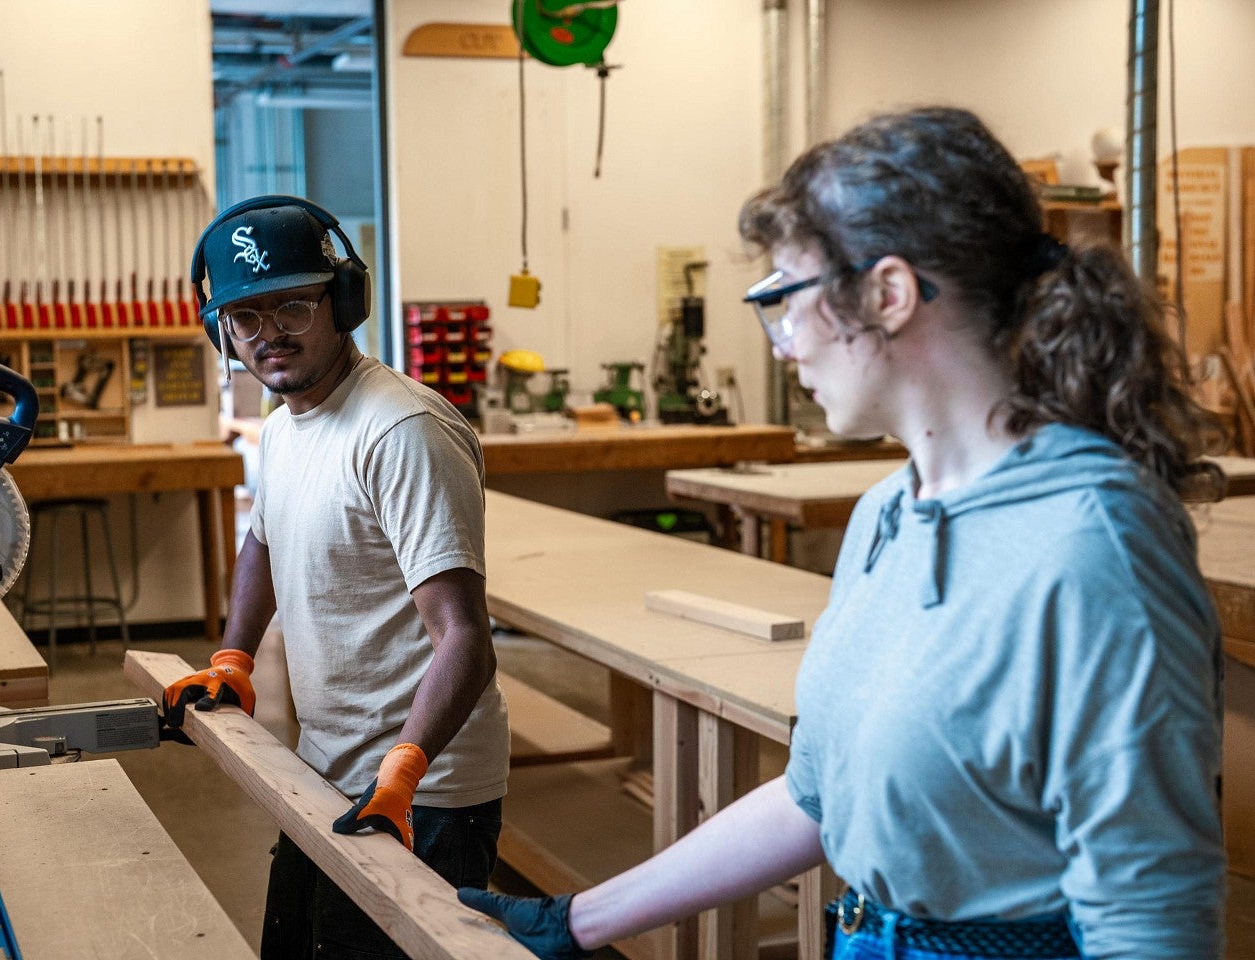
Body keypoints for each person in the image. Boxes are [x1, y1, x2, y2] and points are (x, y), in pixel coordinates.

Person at [461, 107, 1227, 959]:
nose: (782, 344)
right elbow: (818, 796)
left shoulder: (1093, 548)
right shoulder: (887, 514)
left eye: (785, 298)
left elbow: (1151, 923)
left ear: (890, 294)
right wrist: (577, 920)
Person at [165, 195, 509, 960]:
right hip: (323, 767)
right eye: (245, 317)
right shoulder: (284, 424)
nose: (269, 335)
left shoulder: (402, 431)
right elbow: (264, 541)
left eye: (292, 305)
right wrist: (234, 657)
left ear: (341, 302)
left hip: (426, 792)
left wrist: (404, 775)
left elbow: (464, 639)